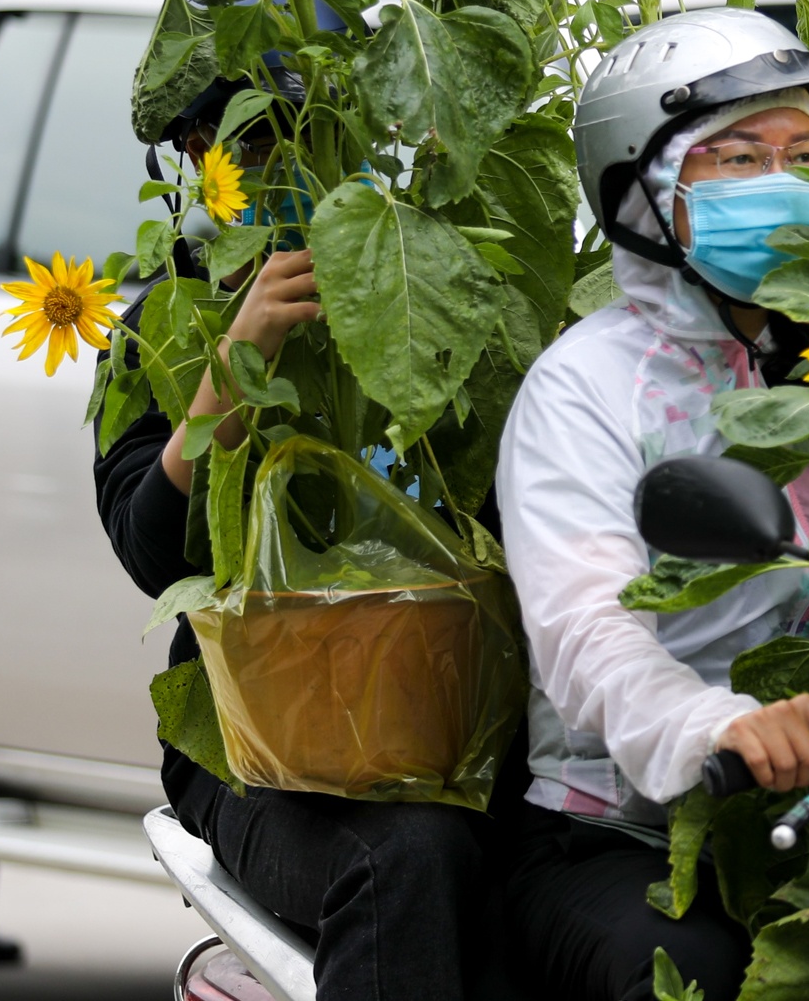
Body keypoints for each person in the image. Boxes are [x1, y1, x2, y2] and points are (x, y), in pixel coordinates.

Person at [496, 10, 809, 1001]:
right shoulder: (583, 386)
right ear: (641, 187)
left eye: (806, 153)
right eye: (737, 159)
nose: (784, 182)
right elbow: (584, 630)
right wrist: (710, 725)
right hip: (622, 827)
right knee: (695, 975)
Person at [94, 53, 504, 1001]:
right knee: (408, 854)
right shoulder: (170, 313)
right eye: (231, 144)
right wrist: (233, 370)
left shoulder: (423, 277)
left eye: (297, 130)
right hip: (265, 751)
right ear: (195, 160)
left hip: (455, 721)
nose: (269, 163)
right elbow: (155, 554)